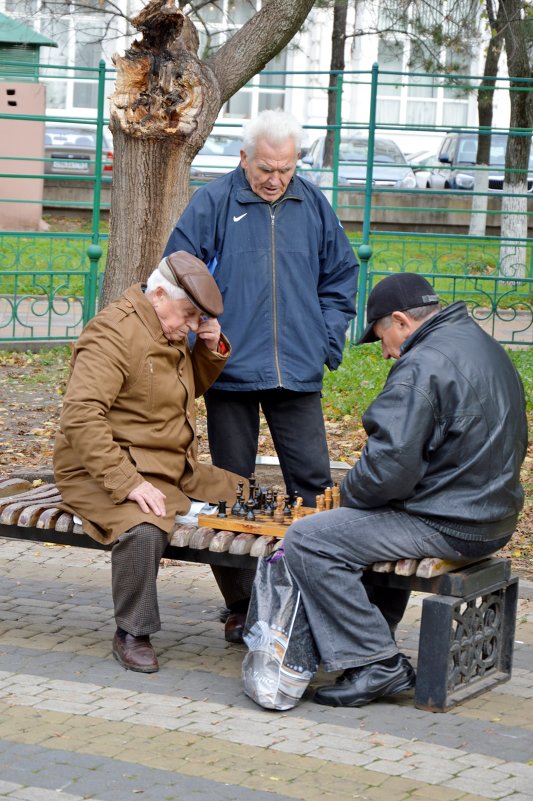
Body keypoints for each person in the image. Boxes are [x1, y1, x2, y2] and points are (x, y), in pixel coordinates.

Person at [283, 272, 527, 708]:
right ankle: (371, 643)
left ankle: (378, 664)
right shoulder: (481, 342)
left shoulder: (421, 364)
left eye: (382, 338)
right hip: (495, 514)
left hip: (452, 520)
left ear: (400, 321)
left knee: (309, 539)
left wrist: (346, 496)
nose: (384, 352)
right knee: (367, 524)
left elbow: (386, 472)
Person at [163, 109, 358, 643]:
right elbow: (177, 271)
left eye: (286, 168)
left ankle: (314, 594)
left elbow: (341, 274)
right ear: (243, 158)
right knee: (230, 492)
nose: (275, 179)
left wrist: (327, 336)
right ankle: (242, 605)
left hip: (297, 368)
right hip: (230, 369)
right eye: (266, 168)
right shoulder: (214, 201)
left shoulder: (312, 202)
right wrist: (201, 331)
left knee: (314, 487)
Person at [54, 251, 245, 674]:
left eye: (199, 318)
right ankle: (132, 632)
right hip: (97, 470)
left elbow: (176, 392)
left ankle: (243, 607)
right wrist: (128, 484)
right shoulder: (112, 333)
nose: (192, 326)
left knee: (243, 499)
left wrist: (210, 351)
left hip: (169, 464)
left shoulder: (166, 327)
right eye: (189, 314)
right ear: (158, 294)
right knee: (142, 528)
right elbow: (81, 417)